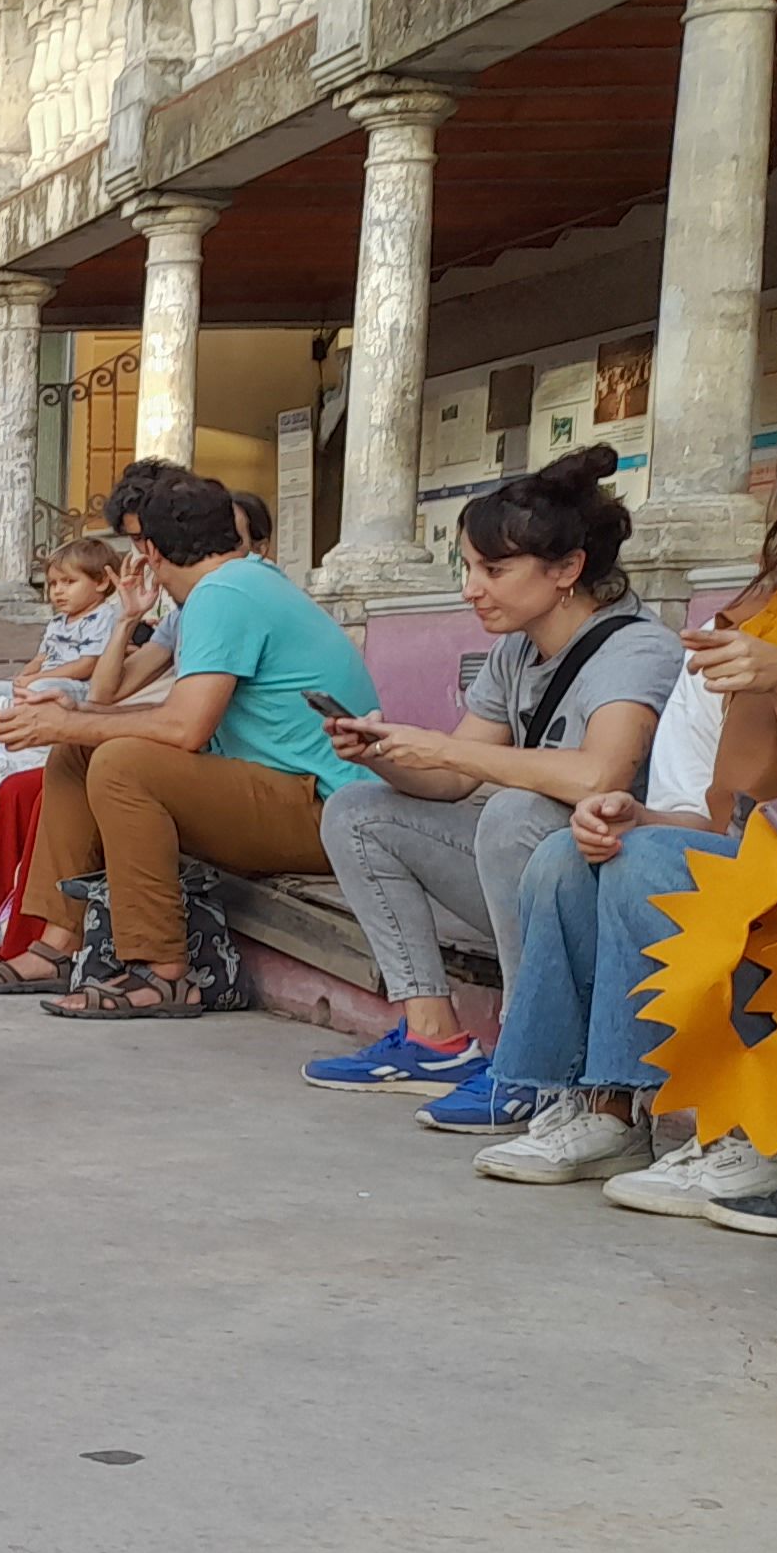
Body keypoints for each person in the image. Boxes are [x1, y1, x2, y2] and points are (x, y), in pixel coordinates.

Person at [472, 397, 777, 1203]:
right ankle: (605, 1108)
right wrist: (636, 815)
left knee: (659, 860)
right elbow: (700, 813)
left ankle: (766, 1129)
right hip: (754, 857)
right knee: (579, 850)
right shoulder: (743, 627)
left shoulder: (774, 656)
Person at [305, 448, 674, 1114]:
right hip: (529, 877)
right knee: (358, 810)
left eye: (494, 570)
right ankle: (433, 1039)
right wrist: (383, 753)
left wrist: (448, 752)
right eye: (469, 567)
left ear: (566, 569)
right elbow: (449, 779)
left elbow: (600, 775)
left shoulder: (637, 649)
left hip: (614, 888)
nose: (473, 588)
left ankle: (533, 1064)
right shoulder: (516, 650)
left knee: (516, 815)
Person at [0, 471, 376, 1018]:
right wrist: (79, 716)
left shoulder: (224, 596)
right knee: (83, 749)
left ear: (152, 550)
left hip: (326, 811)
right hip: (288, 794)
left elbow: (184, 729)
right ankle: (57, 944)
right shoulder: (234, 584)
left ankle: (162, 972)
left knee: (121, 762)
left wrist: (75, 722)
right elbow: (158, 709)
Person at [10, 537, 137, 706]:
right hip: (44, 680)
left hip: (79, 685)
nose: (58, 591)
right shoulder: (57, 621)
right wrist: (22, 678)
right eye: (53, 584)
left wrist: (36, 678)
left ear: (101, 582)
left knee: (39, 688)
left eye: (68, 582)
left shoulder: (103, 617)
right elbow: (40, 659)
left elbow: (87, 665)